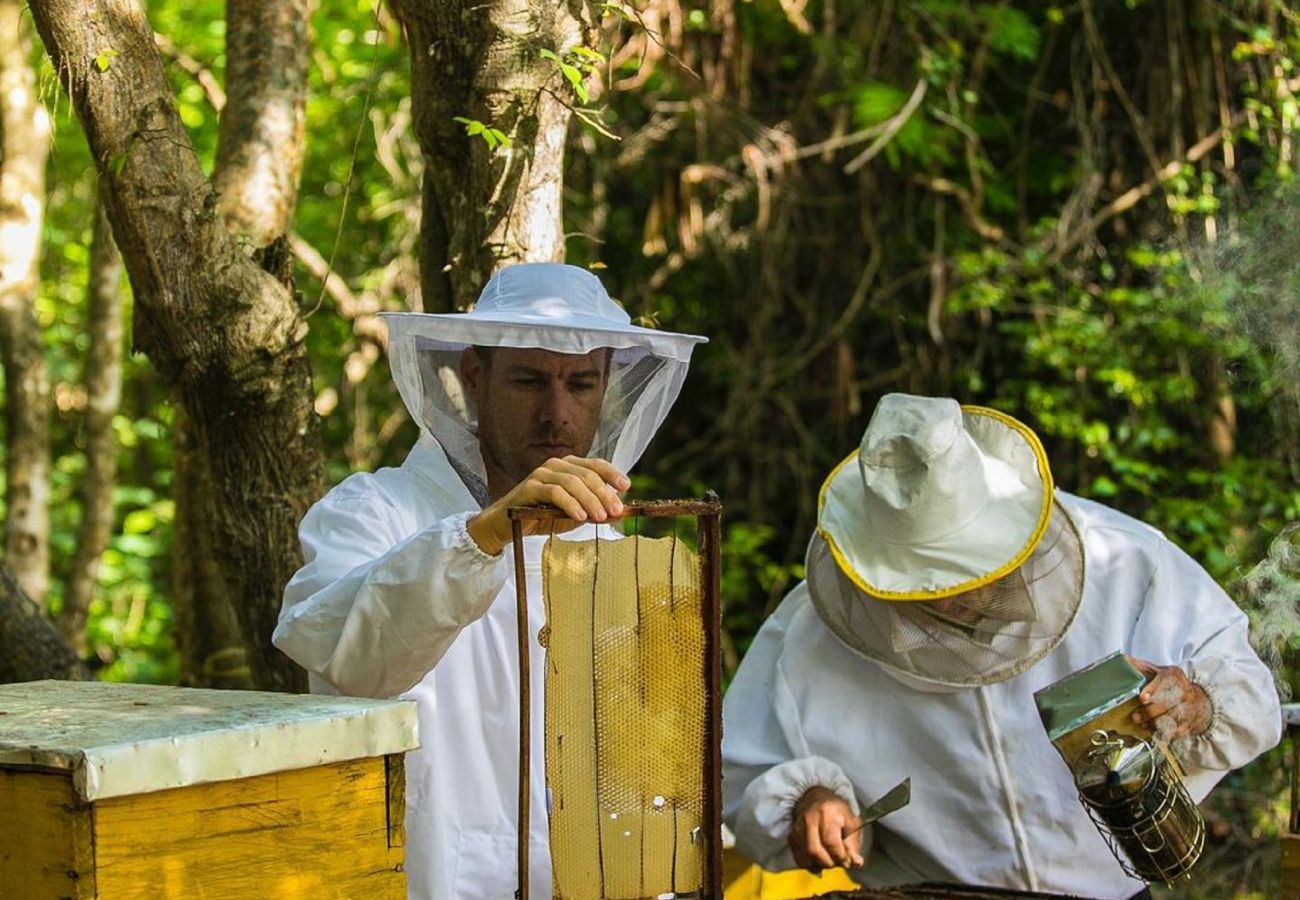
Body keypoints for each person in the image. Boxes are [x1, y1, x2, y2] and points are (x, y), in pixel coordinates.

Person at [722, 393, 1281, 899]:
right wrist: (811, 801)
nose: (948, 602)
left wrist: (1193, 703)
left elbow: (1247, 695)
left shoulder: (1125, 561)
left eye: (968, 574)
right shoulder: (810, 627)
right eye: (922, 585)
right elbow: (742, 772)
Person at [273, 263, 705, 900]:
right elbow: (345, 659)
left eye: (581, 384)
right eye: (530, 381)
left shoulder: (611, 556)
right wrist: (487, 533)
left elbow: (641, 768)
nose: (557, 413)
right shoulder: (372, 513)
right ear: (475, 378)